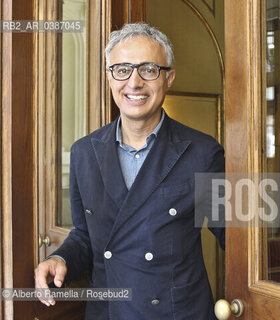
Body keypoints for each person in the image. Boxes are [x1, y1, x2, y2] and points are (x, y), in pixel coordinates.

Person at [34, 22, 225, 320]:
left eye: (148, 69)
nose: (134, 83)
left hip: (177, 313)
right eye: (122, 69)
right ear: (110, 77)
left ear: (169, 77)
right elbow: (86, 234)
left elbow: (238, 242)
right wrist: (61, 257)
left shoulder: (202, 152)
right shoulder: (84, 152)